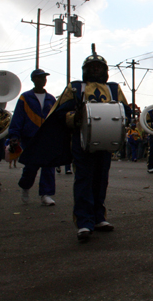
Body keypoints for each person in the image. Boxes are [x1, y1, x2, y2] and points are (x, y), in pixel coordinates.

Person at [47, 49, 131, 242]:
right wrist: (75, 117)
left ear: (105, 70)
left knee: (101, 179)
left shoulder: (113, 88)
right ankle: (84, 221)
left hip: (106, 139)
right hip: (82, 140)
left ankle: (99, 217)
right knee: (84, 178)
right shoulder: (75, 87)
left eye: (99, 67)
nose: (95, 70)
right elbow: (60, 113)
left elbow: (124, 110)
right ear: (85, 70)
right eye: (92, 67)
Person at [9, 69, 57, 205]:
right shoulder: (25, 98)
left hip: (46, 137)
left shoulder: (51, 99)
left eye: (44, 78)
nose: (43, 80)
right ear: (34, 80)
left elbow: (55, 119)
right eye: (40, 78)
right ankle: (25, 186)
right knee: (31, 166)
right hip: (29, 137)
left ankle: (46, 194)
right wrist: (14, 135)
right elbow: (18, 117)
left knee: (48, 166)